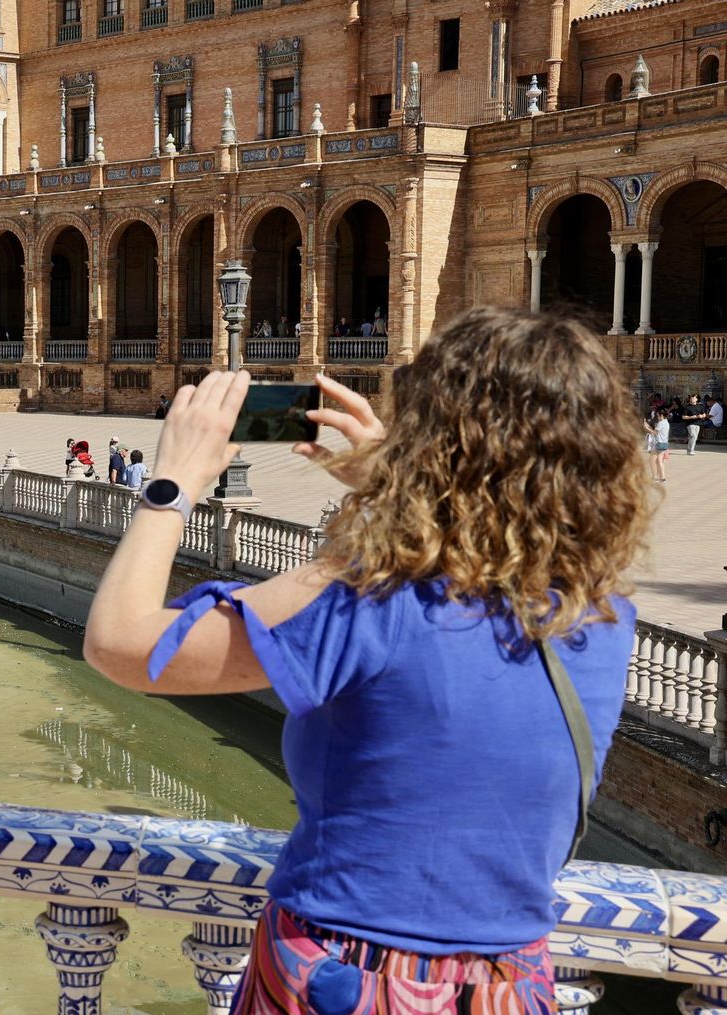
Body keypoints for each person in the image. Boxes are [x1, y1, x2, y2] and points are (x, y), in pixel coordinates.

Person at [86, 308, 650, 1014]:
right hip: (507, 987)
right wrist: (399, 485)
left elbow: (121, 641)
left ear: (434, 440)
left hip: (346, 982)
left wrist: (172, 483)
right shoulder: (603, 616)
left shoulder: (370, 602)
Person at [647, 408, 670, 483]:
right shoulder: (666, 422)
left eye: (658, 415)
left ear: (661, 415)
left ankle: (655, 477)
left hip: (658, 444)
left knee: (652, 461)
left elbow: (654, 433)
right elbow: (655, 431)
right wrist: (648, 426)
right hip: (664, 444)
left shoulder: (661, 423)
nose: (657, 417)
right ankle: (662, 478)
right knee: (660, 461)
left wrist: (646, 428)